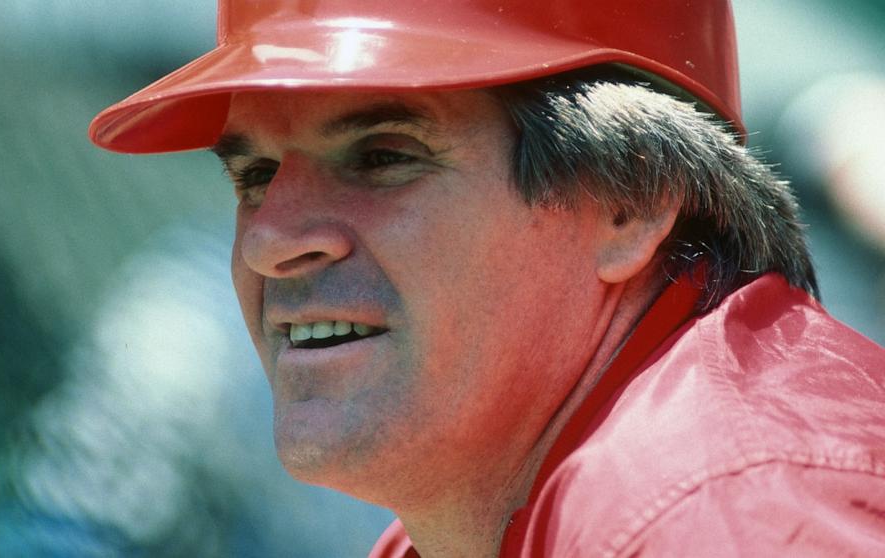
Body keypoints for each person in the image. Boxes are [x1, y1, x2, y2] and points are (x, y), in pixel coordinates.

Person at [89, 1, 885, 556]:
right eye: (255, 175)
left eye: (383, 156)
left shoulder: (728, 513)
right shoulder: (485, 518)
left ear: (630, 203)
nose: (269, 242)